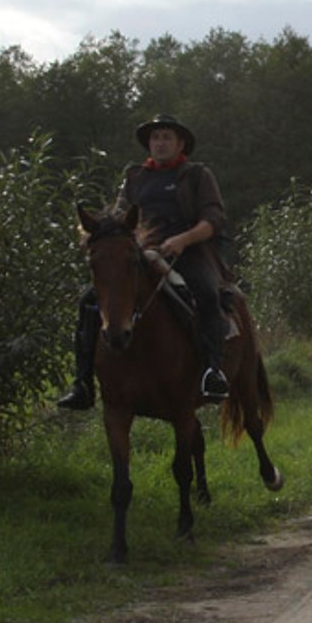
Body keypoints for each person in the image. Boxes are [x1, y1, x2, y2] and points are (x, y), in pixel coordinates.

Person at [57, 114, 232, 410]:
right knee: (88, 303)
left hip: (187, 251)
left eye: (166, 137)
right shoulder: (135, 176)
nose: (160, 143)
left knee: (205, 291)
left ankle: (212, 372)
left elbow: (213, 220)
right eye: (155, 137)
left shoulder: (197, 175)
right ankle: (83, 383)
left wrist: (183, 240)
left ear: (180, 144)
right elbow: (121, 215)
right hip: (141, 253)